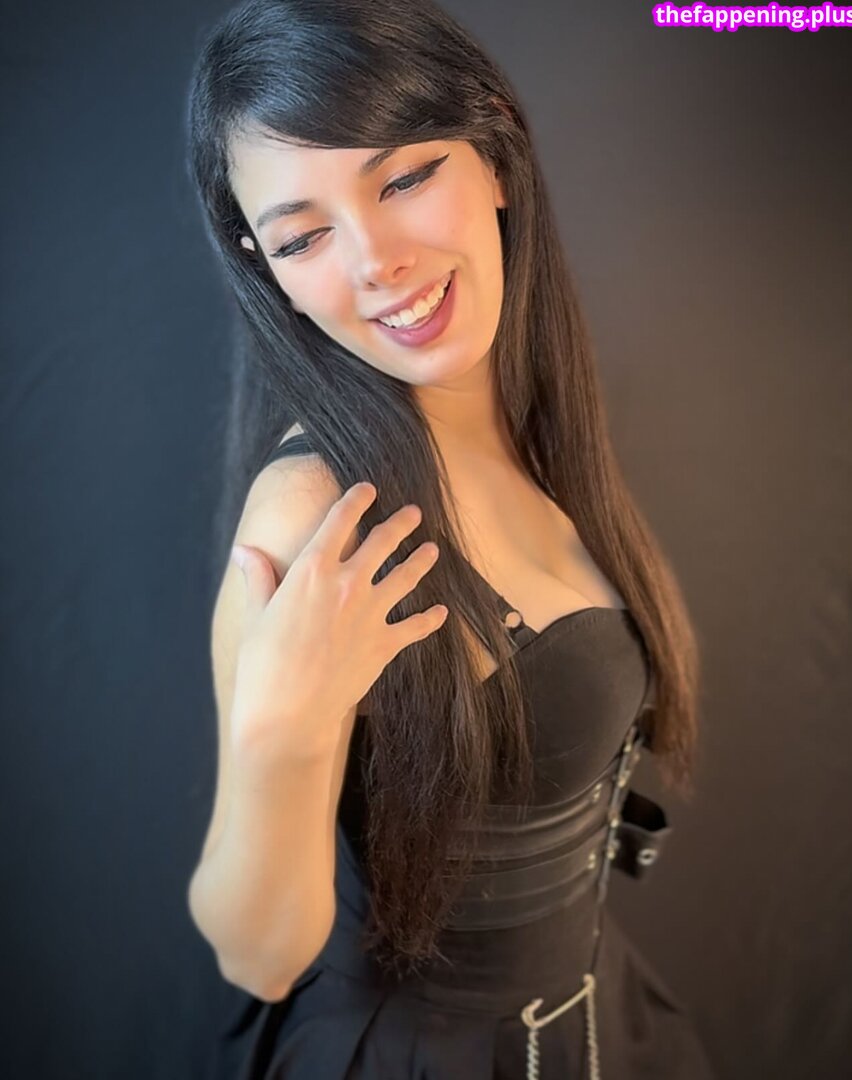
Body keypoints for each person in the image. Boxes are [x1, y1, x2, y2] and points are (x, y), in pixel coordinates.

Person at [184, 1, 715, 1076]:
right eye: (303, 236)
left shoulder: (525, 428)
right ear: (265, 265)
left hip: (602, 1018)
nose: (376, 260)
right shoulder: (316, 513)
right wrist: (284, 727)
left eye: (404, 179)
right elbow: (259, 955)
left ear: (495, 155)